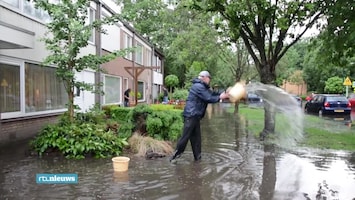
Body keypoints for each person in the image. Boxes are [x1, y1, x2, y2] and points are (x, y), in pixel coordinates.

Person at [169, 71, 229, 163]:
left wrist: (223, 93)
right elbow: (208, 98)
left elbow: (212, 94)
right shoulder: (198, 87)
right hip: (191, 115)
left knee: (196, 139)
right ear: (205, 78)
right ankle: (174, 157)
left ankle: (198, 159)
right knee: (185, 137)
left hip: (195, 116)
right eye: (209, 79)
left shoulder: (202, 87)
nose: (210, 81)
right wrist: (221, 97)